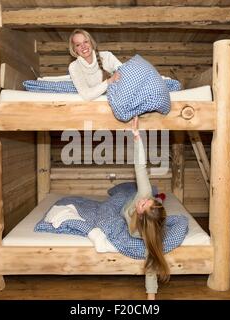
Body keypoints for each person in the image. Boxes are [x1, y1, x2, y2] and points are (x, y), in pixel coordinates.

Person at [122, 116, 170, 300]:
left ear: (141, 218)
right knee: (141, 191)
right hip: (128, 202)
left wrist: (151, 298)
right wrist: (136, 137)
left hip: (131, 212)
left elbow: (151, 265)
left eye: (143, 204)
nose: (142, 201)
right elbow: (140, 167)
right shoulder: (144, 194)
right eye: (147, 201)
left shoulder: (146, 234)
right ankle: (158, 197)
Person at [68, 29, 122, 101]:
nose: (83, 46)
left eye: (86, 42)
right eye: (78, 45)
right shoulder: (74, 67)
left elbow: (124, 72)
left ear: (91, 43)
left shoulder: (107, 56)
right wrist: (110, 80)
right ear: (74, 49)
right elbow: (86, 95)